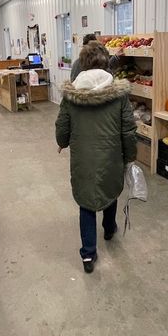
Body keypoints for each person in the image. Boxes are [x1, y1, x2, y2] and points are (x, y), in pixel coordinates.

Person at [55, 42, 137, 273]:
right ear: (105, 61)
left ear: (83, 62)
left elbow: (62, 124)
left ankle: (88, 254)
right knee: (109, 190)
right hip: (111, 155)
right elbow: (128, 129)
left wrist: (62, 142)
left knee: (86, 202)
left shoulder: (72, 94)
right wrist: (130, 156)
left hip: (83, 158)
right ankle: (109, 228)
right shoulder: (119, 94)